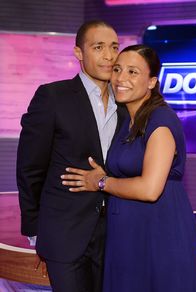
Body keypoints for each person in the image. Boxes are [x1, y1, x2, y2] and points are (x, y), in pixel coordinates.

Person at [61, 44, 196, 291]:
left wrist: (101, 182)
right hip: (126, 236)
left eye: (133, 72)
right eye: (117, 70)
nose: (121, 78)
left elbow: (150, 188)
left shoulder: (161, 122)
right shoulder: (126, 120)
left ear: (151, 82)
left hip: (161, 236)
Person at [17, 20, 126, 292]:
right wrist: (34, 229)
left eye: (114, 47)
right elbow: (30, 167)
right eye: (98, 47)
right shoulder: (53, 97)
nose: (109, 56)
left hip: (116, 235)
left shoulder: (125, 103)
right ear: (79, 52)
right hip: (64, 234)